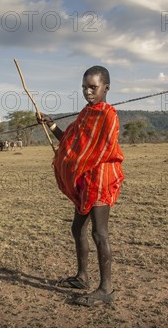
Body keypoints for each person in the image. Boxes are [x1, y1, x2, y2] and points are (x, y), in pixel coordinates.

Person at [38, 65, 125, 306]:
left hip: (101, 178)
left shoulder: (108, 115)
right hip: (86, 179)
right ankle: (82, 277)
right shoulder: (87, 113)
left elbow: (100, 149)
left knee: (99, 233)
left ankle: (106, 289)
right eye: (84, 87)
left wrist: (74, 160)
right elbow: (72, 141)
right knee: (77, 229)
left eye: (93, 87)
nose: (88, 92)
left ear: (106, 88)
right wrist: (52, 125)